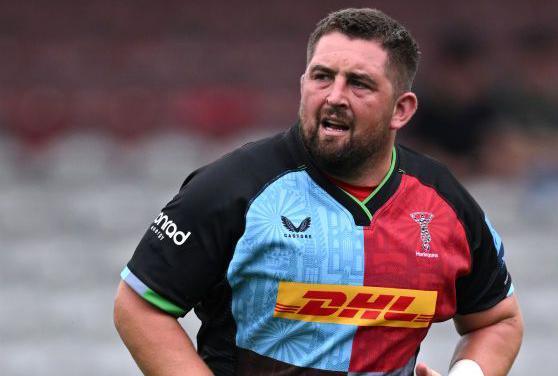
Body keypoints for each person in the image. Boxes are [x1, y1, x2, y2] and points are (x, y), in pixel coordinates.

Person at [113, 8, 523, 376]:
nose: (334, 96)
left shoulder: (444, 202)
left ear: (402, 109)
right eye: (322, 76)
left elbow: (498, 319)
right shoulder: (233, 186)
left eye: (359, 84)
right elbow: (139, 305)